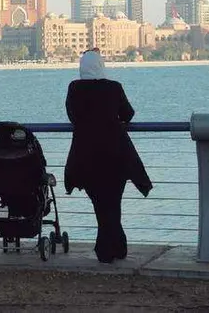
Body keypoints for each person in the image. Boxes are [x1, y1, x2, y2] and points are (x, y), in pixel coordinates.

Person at [64, 48, 152, 264]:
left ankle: (110, 248)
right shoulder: (114, 88)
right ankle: (115, 247)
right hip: (116, 154)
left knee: (100, 203)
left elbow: (72, 115)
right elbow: (128, 114)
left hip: (86, 156)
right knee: (114, 201)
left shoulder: (75, 88)